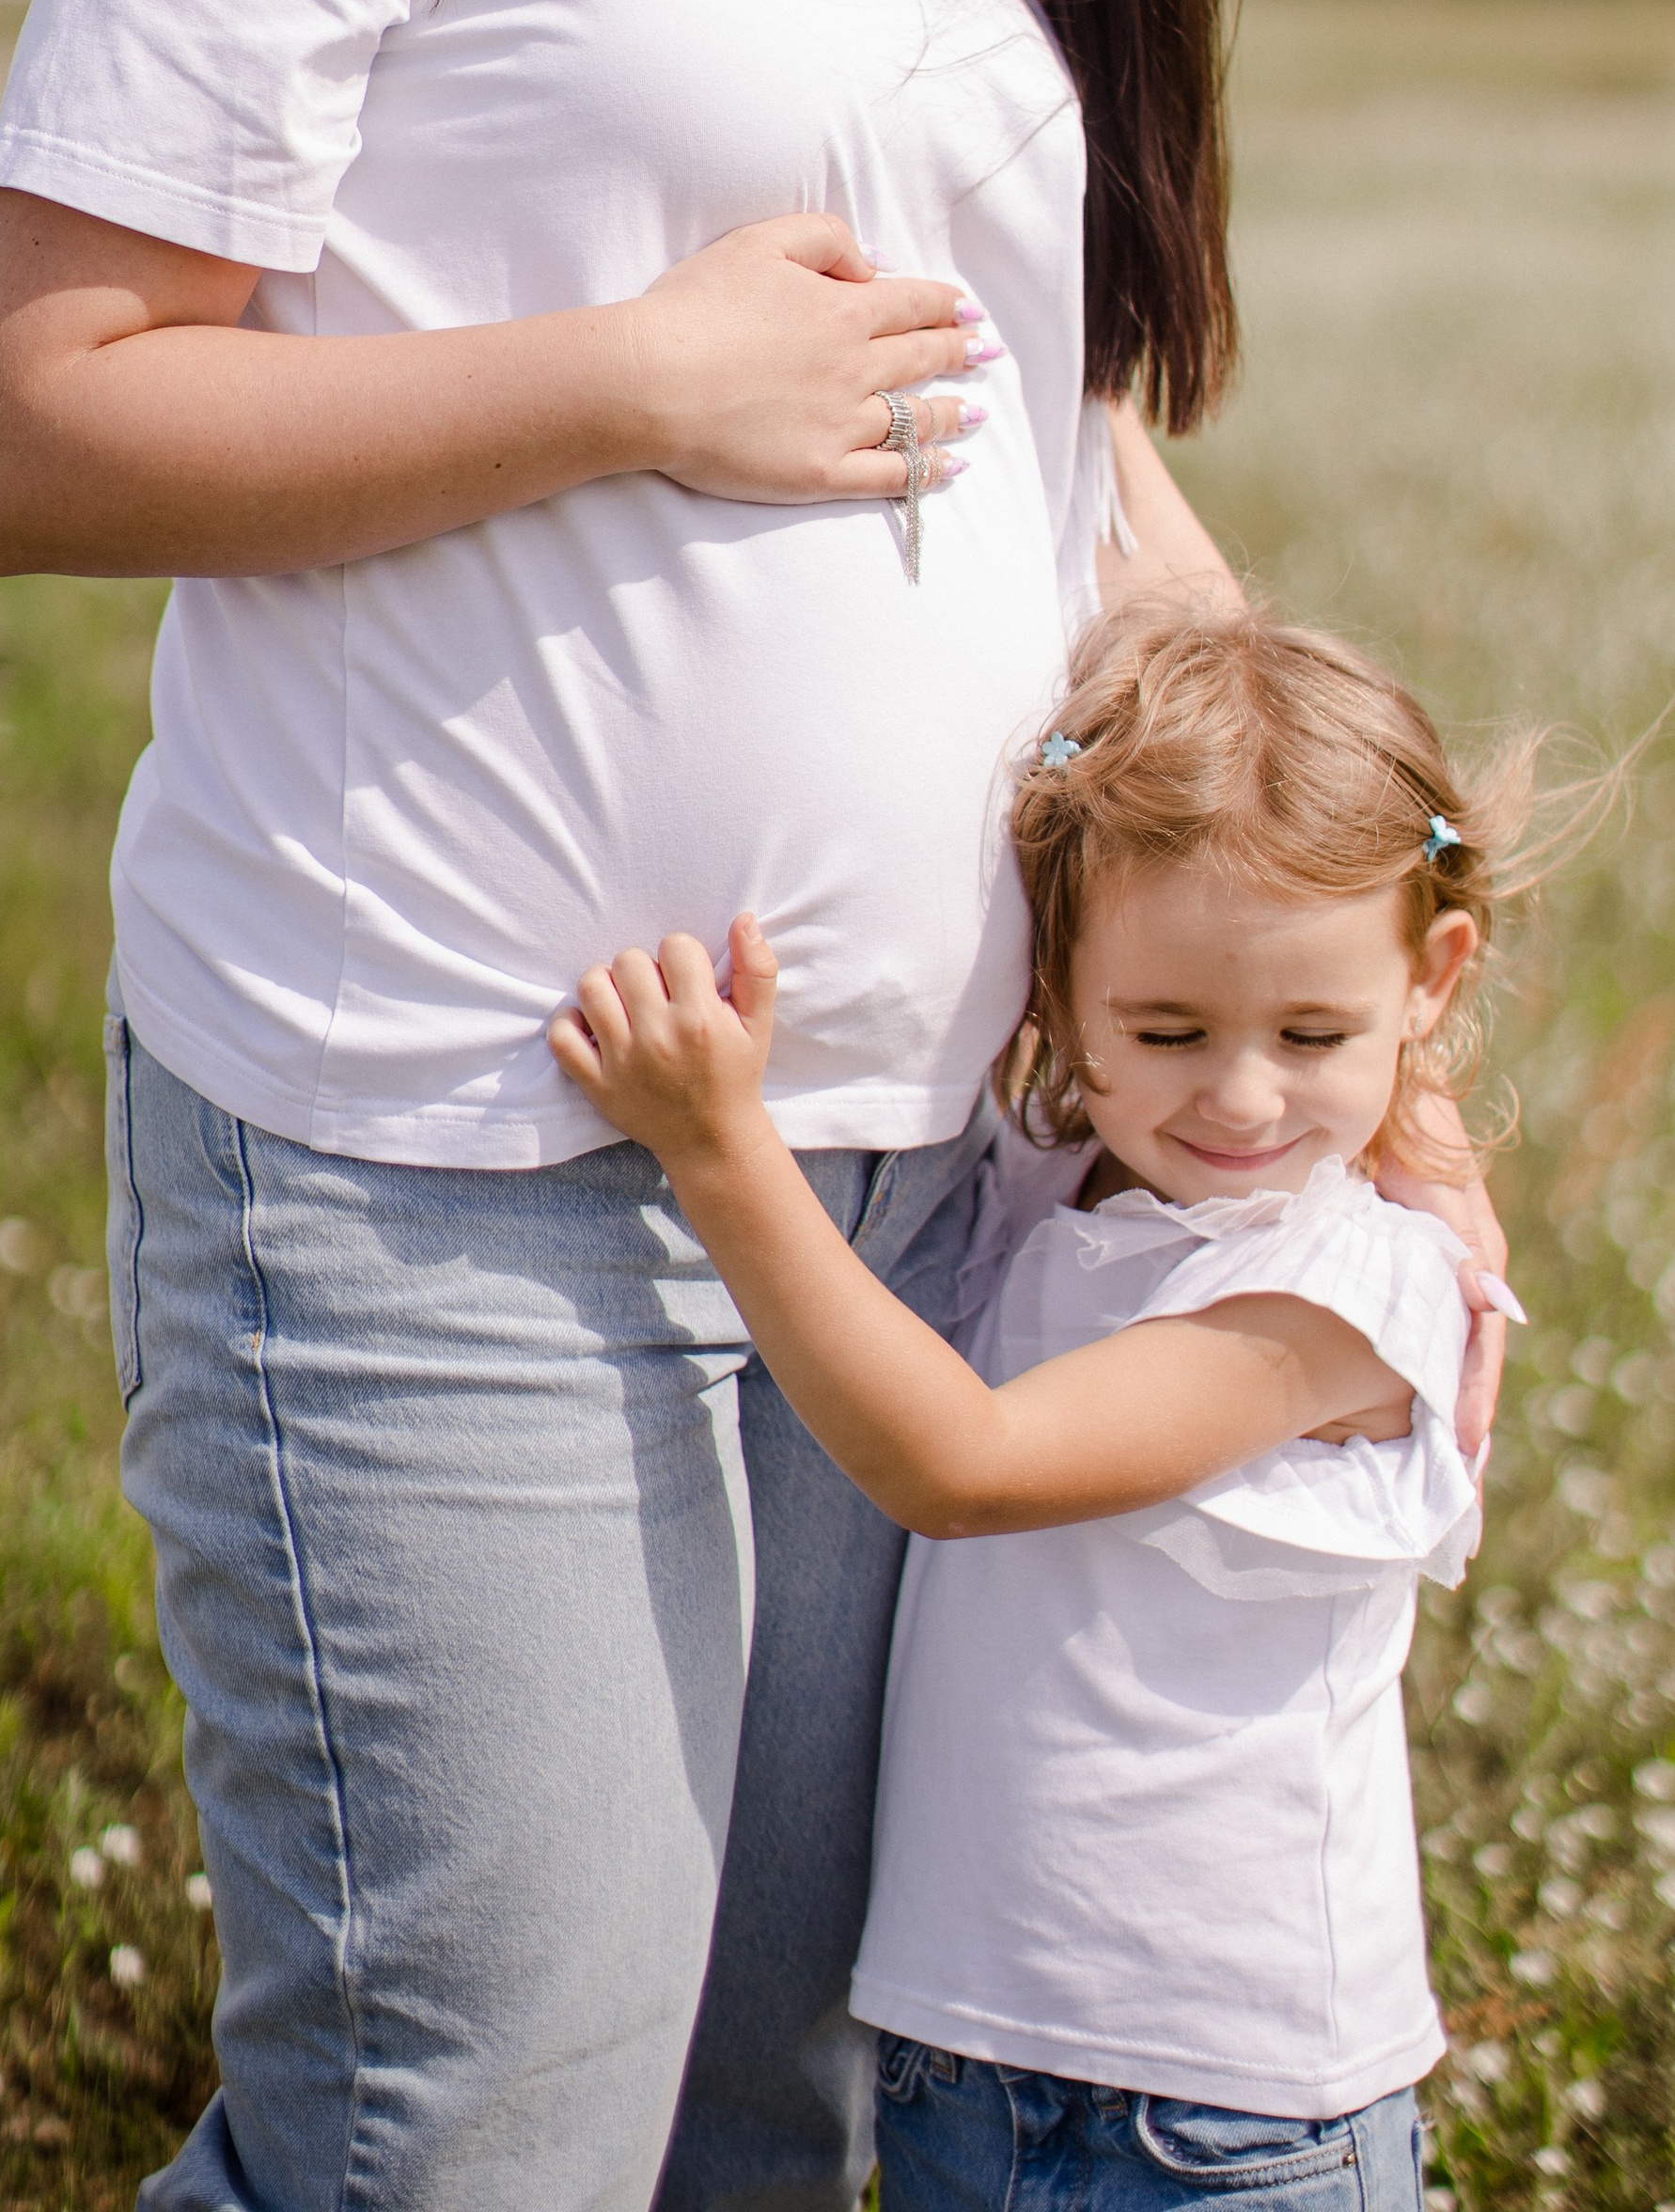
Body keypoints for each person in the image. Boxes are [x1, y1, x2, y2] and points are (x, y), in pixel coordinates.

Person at [0, 0, 1506, 2212]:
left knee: (766, 2121)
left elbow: (1071, 493)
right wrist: (628, 381)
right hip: (440, 1144)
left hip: (905, 1184)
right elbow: (28, 431)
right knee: (466, 2137)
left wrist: (1407, 1074)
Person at [553, 602, 1542, 2212]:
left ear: (1430, 982)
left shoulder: (1350, 1296)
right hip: (969, 2072)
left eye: (1313, 1035)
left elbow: (966, 1463)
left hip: (1228, 2121)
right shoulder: (1071, 1205)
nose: (1237, 1097)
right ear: (1055, 987)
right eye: (1167, 1033)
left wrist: (719, 1153)